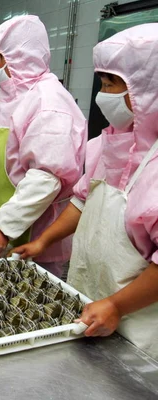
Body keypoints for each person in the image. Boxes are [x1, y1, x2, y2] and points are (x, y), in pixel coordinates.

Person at [13, 24, 158, 359]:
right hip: (90, 297)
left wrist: (117, 305)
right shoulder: (104, 145)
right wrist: (44, 240)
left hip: (137, 319)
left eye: (112, 84)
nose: (102, 94)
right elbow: (81, 201)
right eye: (102, 83)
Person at [0, 15, 87, 277]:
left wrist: (5, 226)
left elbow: (46, 178)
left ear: (22, 57)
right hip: (6, 220)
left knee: (33, 292)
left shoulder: (48, 103)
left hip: (35, 230)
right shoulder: (14, 95)